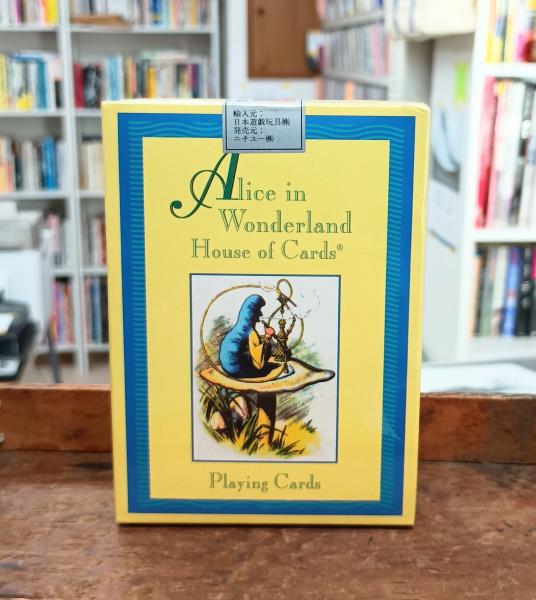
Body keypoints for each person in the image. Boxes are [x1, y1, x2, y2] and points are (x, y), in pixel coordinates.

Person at [219, 294, 279, 378]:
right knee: (268, 345)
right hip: (237, 370)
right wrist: (268, 336)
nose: (261, 314)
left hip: (227, 368)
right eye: (259, 310)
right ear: (253, 313)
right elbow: (258, 361)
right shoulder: (250, 332)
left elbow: (252, 344)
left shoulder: (239, 327)